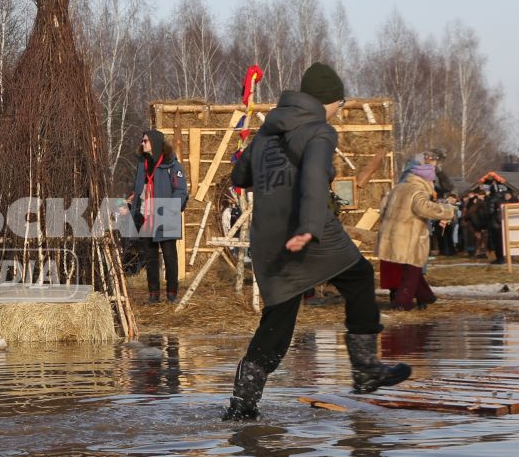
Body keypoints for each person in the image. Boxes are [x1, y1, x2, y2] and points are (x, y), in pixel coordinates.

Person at [221, 63, 409, 421]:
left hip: (267, 240)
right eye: (340, 103)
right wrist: (308, 227)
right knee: (358, 277)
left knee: (278, 320)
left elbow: (239, 176)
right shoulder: (319, 131)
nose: (340, 109)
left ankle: (242, 405)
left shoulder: (268, 130)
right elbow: (312, 178)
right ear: (328, 101)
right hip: (307, 232)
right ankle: (366, 369)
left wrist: (261, 153)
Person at [377, 159, 454, 310]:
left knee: (411, 270)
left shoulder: (398, 188)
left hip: (392, 235)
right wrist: (447, 210)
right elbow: (424, 208)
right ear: (428, 180)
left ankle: (426, 296)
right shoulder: (417, 191)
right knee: (411, 271)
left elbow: (383, 207)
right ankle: (402, 304)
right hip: (409, 237)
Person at [131, 129, 187, 303]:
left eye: (145, 141)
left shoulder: (172, 165)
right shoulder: (143, 164)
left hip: (166, 216)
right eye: (142, 141)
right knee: (151, 257)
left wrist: (169, 210)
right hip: (147, 216)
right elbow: (139, 189)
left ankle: (172, 294)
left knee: (170, 256)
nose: (142, 144)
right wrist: (132, 205)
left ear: (154, 143)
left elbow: (181, 191)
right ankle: (153, 295)